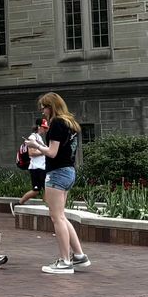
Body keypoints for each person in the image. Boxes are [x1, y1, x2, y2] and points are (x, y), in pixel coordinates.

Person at [31, 92, 90, 274]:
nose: (43, 112)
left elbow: (52, 153)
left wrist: (35, 145)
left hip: (57, 173)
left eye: (44, 107)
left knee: (56, 218)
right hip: (69, 171)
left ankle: (65, 261)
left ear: (52, 106)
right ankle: (79, 256)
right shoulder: (71, 123)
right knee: (62, 216)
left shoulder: (56, 123)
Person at [13, 113, 50, 210]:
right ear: (39, 127)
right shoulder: (33, 137)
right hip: (36, 168)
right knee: (39, 190)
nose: (45, 129)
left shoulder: (39, 137)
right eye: (44, 127)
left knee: (42, 189)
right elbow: (31, 153)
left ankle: (46, 208)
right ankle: (18, 204)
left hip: (40, 167)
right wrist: (45, 151)